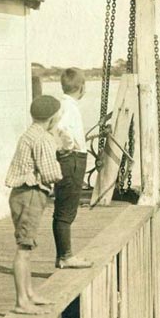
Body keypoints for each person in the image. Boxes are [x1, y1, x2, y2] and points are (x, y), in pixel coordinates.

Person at [6, 95, 64, 314]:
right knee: (23, 249)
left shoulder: (30, 133)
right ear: (52, 117)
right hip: (30, 194)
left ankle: (29, 294)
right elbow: (50, 173)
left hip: (20, 194)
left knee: (27, 247)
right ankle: (21, 301)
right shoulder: (43, 139)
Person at [51, 69, 91, 269]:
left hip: (70, 158)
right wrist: (68, 147)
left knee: (63, 208)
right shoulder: (70, 108)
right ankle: (65, 256)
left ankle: (64, 255)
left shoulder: (63, 104)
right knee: (67, 210)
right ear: (82, 87)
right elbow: (63, 129)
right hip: (73, 159)